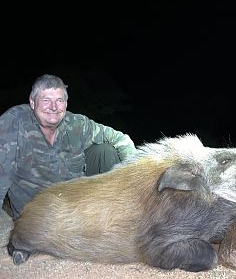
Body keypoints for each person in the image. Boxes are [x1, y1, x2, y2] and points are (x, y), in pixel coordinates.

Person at [0, 74, 136, 220]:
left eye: (59, 100)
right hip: (39, 215)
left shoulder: (76, 123)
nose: (53, 107)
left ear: (66, 103)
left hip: (76, 202)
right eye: (46, 100)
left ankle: (116, 213)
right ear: (32, 102)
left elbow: (120, 138)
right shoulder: (13, 124)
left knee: (106, 152)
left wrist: (135, 172)